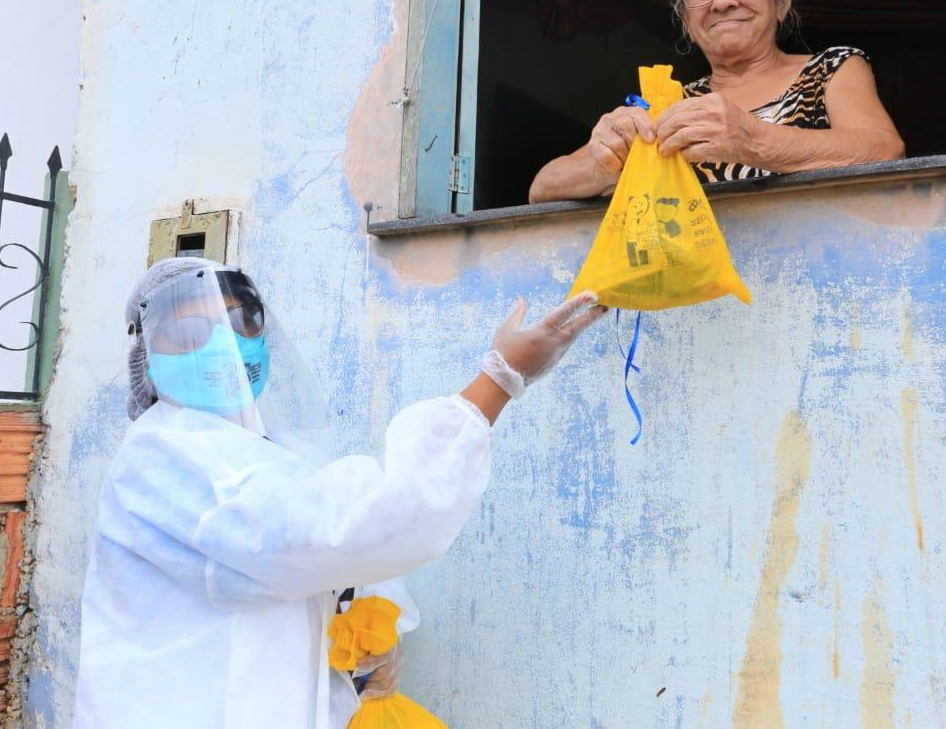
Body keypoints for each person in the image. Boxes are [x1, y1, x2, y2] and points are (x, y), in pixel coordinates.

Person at [74, 257, 606, 728]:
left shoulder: (276, 454)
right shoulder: (159, 460)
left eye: (241, 321)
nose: (224, 343)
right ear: (146, 355)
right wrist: (496, 381)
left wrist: (371, 640)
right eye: (189, 331)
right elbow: (330, 533)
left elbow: (347, 566)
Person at [528, 0, 906, 203]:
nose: (722, 1)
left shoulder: (833, 68)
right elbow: (543, 187)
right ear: (687, 21)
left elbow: (883, 150)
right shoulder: (670, 105)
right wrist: (605, 162)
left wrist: (753, 141)